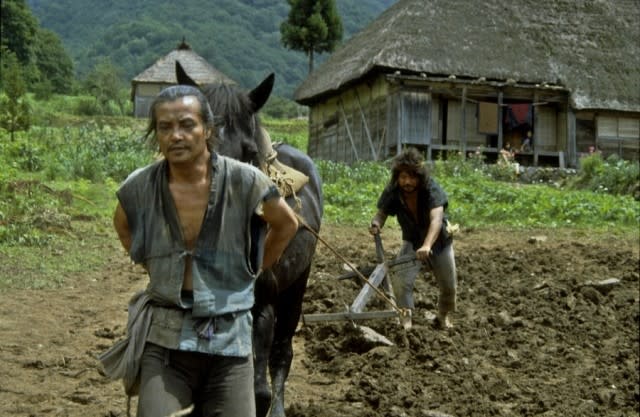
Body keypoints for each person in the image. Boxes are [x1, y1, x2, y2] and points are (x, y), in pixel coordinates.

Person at [101, 85, 299, 417]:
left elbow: (287, 224)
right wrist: (157, 266)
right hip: (167, 337)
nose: (176, 135)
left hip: (229, 340)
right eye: (165, 127)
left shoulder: (245, 180)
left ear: (208, 130)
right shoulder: (141, 185)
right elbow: (123, 224)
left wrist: (256, 268)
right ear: (156, 134)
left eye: (186, 125)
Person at [369, 147, 457, 330]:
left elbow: (437, 219)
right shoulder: (394, 191)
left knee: (449, 285)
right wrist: (376, 223)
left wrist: (427, 245)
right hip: (412, 240)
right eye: (402, 177)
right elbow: (381, 213)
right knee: (401, 280)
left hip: (439, 241)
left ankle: (442, 316)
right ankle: (406, 317)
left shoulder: (431, 188)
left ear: (419, 176)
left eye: (411, 177)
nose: (406, 182)